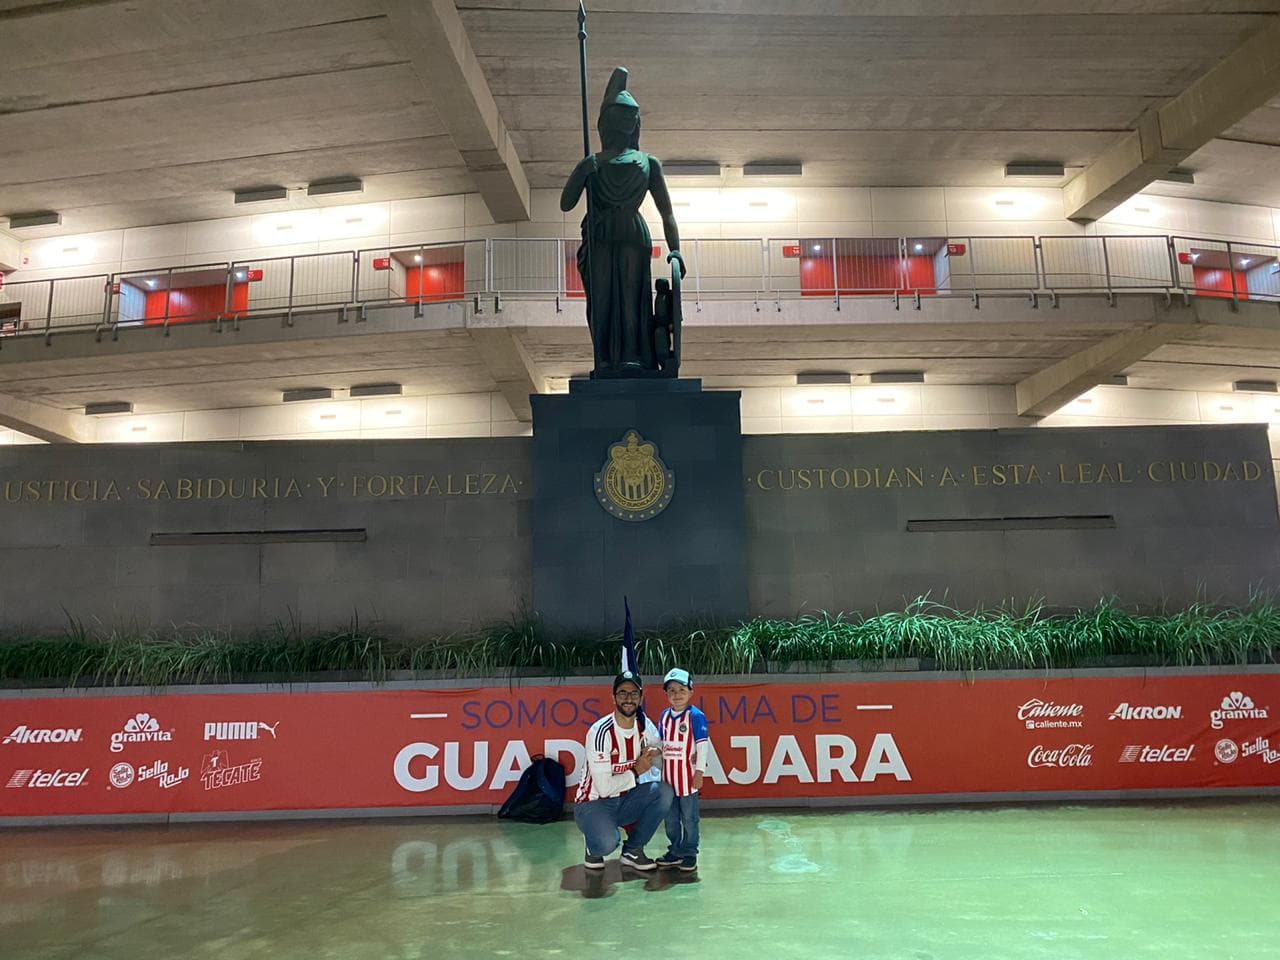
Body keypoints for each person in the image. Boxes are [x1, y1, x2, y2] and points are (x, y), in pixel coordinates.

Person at [559, 66, 685, 374]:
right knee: (601, 303)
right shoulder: (593, 163)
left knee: (632, 300)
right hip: (600, 236)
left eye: (632, 116)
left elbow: (666, 211)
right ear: (608, 121)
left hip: (631, 234)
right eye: (621, 115)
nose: (628, 121)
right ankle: (604, 358)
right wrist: (581, 172)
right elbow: (566, 203)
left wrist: (676, 249)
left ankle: (632, 357)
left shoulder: (648, 162)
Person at [573, 671, 673, 871]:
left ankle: (633, 850)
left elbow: (664, 755)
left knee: (663, 792)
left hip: (625, 800)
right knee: (608, 843)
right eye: (622, 693)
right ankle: (593, 843)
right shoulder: (600, 732)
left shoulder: (644, 727)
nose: (628, 699)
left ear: (641, 697)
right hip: (593, 803)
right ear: (613, 697)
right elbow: (603, 789)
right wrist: (636, 771)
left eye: (634, 693)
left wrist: (663, 752)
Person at [655, 668, 709, 871]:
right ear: (666, 694)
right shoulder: (664, 716)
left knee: (689, 818)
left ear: (691, 691)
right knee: (670, 819)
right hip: (668, 780)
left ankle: (690, 852)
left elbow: (703, 745)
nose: (676, 695)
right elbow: (660, 744)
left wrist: (699, 772)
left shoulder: (696, 716)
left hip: (687, 780)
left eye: (681, 689)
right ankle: (675, 851)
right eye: (671, 690)